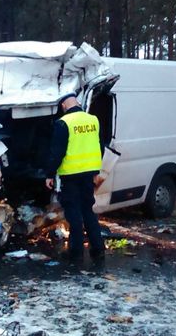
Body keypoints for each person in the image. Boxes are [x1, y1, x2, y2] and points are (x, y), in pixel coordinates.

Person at [45, 93, 105, 262]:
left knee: (73, 213)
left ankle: (76, 252)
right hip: (88, 174)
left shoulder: (63, 123)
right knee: (88, 210)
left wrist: (50, 174)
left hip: (71, 175)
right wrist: (94, 170)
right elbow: (100, 146)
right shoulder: (93, 120)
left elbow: (57, 152)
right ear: (77, 102)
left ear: (63, 106)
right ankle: (98, 249)